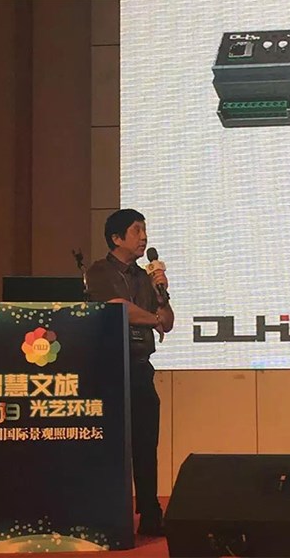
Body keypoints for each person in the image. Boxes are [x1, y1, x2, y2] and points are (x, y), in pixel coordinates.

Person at [86, 209, 174, 537]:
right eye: (136, 231)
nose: (144, 237)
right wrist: (154, 319)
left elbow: (168, 321)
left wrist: (162, 294)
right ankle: (107, 514)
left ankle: (150, 512)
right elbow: (118, 308)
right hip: (108, 370)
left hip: (139, 367)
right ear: (116, 238)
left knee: (146, 444)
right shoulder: (99, 271)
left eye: (144, 230)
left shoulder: (146, 277)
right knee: (109, 445)